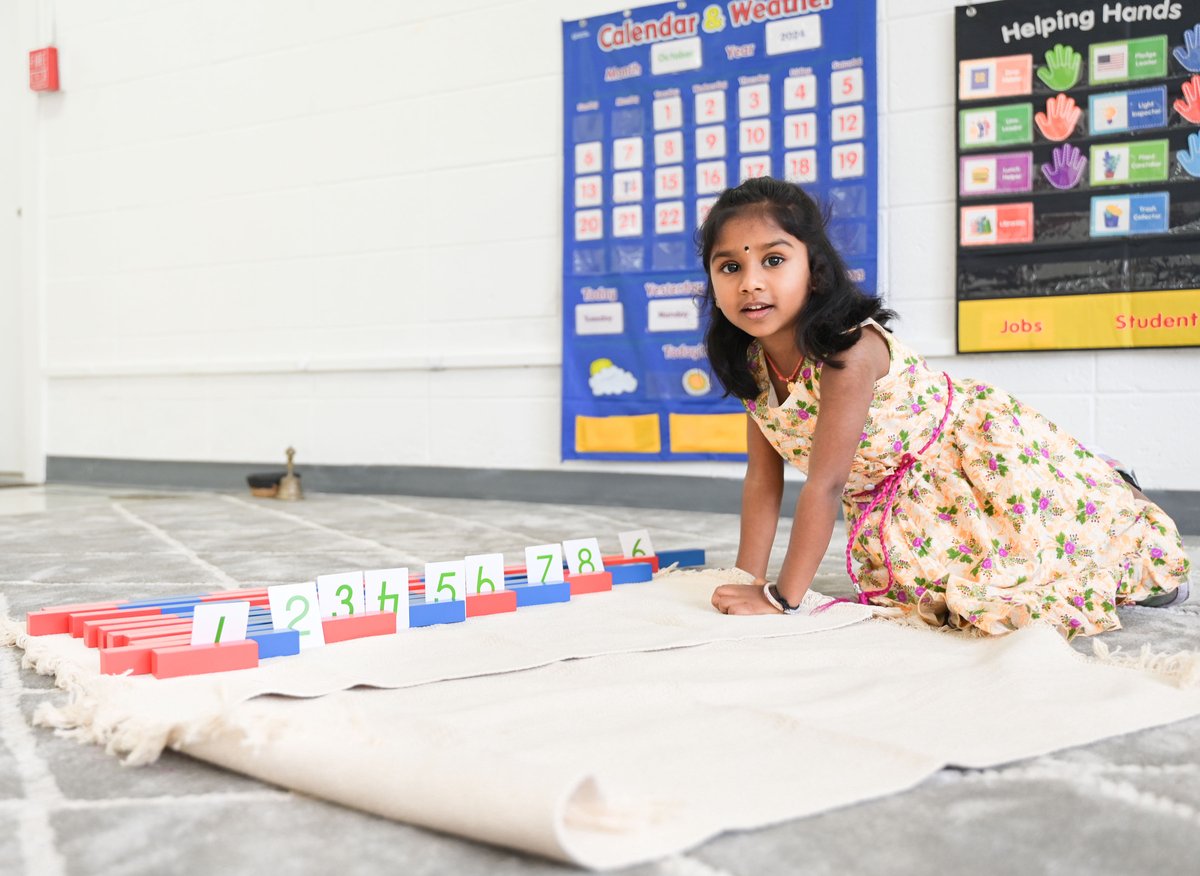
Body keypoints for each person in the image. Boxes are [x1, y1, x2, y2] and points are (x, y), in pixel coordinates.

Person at [703, 177, 1189, 637]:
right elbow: (762, 480)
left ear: (815, 271)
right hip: (897, 499)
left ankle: (1106, 482)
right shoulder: (753, 362)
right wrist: (745, 578)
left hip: (970, 463)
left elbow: (826, 483)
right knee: (932, 600)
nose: (750, 283)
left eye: (773, 261)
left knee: (1027, 586)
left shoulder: (848, 354)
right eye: (730, 267)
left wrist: (781, 598)